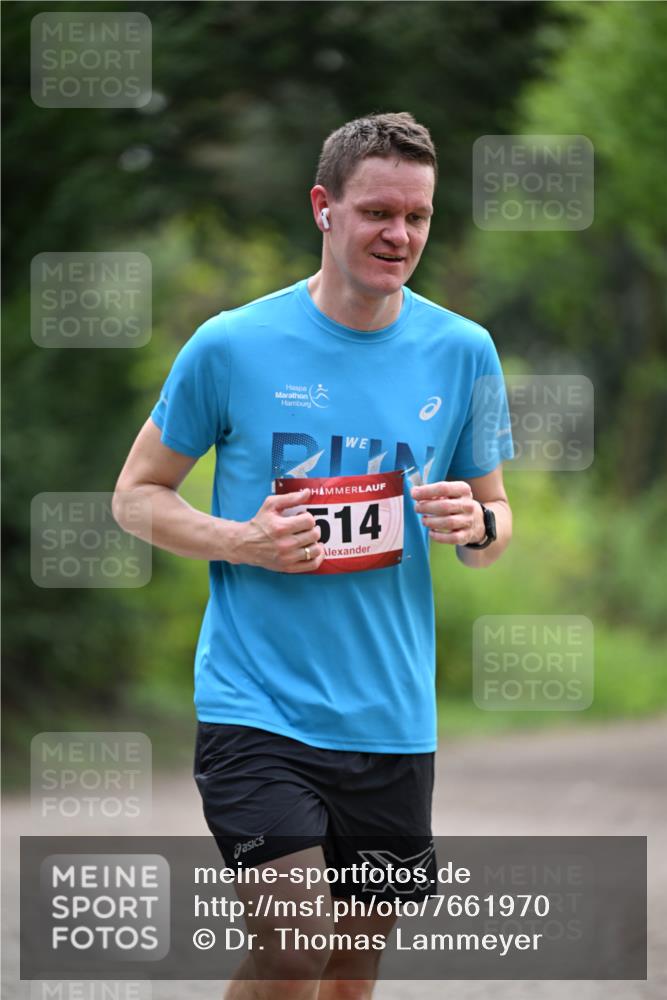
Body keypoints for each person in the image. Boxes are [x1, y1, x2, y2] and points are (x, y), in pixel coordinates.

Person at [113, 111, 513, 1000]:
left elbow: (491, 523)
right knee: (293, 950)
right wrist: (241, 541)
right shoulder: (230, 344)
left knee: (349, 968)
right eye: (376, 212)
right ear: (323, 207)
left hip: (391, 715)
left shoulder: (463, 353)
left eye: (417, 216)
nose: (398, 235)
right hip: (258, 707)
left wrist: (474, 526)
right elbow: (134, 495)